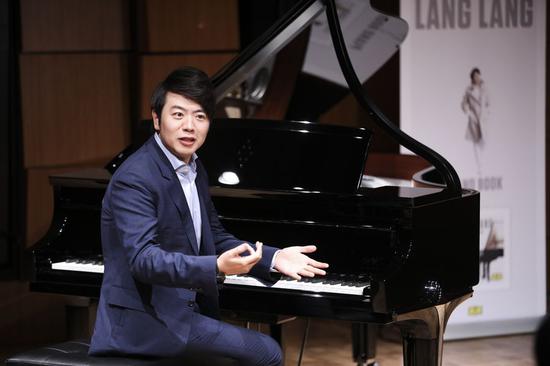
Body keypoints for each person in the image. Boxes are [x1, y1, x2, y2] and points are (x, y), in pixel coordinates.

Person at [88, 66, 329, 366]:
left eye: (199, 116)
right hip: (144, 324)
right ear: (156, 118)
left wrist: (272, 257)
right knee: (267, 353)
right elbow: (144, 260)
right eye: (178, 115)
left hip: (179, 312)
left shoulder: (193, 168)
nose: (189, 126)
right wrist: (216, 267)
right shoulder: (135, 178)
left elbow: (213, 235)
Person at [461, 67, 490, 174]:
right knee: (476, 144)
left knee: (484, 143)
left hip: (484, 120)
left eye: (478, 75)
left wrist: (486, 113)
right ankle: (479, 167)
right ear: (472, 78)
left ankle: (485, 165)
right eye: (475, 76)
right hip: (474, 120)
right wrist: (469, 113)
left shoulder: (485, 88)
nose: (477, 78)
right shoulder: (469, 90)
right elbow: (464, 104)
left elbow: (489, 103)